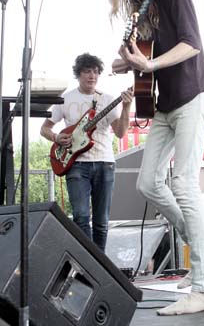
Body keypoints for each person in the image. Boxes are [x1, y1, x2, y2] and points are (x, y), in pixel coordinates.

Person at [104, 0, 204, 316]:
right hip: (165, 104)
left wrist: (149, 65)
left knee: (183, 182)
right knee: (148, 181)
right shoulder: (140, 7)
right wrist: (128, 63)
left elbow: (191, 44)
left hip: (192, 94)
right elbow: (147, 57)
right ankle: (201, 249)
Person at [40, 52, 134, 252]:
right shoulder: (65, 99)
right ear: (79, 74)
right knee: (81, 215)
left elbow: (120, 132)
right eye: (87, 71)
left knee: (102, 220)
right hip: (76, 164)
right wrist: (57, 137)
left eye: (95, 72)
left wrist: (126, 107)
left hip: (105, 163)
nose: (92, 75)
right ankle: (89, 261)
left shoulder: (108, 99)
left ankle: (98, 265)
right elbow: (45, 128)